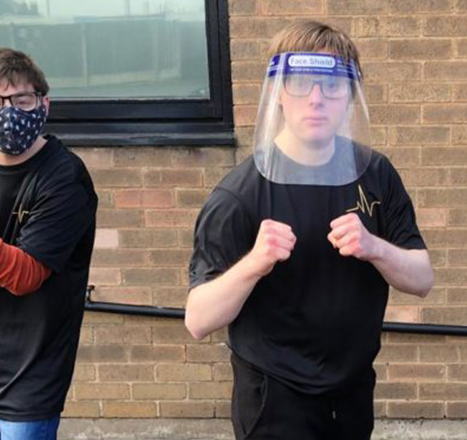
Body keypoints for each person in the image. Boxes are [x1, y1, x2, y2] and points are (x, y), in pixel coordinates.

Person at [185, 21, 433, 440]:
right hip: (274, 397)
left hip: (351, 389)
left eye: (332, 86)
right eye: (301, 83)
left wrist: (375, 247)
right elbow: (199, 319)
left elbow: (422, 279)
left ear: (350, 96)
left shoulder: (375, 175)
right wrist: (255, 264)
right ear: (279, 92)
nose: (316, 99)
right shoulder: (239, 195)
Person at [0, 48, 98, 440]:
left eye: (22, 100)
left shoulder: (64, 178)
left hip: (32, 374)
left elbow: (24, 274)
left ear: (44, 104)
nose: (9, 113)